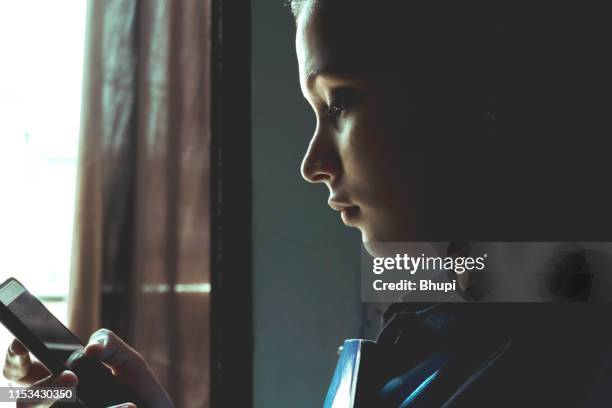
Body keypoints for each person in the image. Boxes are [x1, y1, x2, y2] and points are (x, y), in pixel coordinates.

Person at [5, 1, 612, 406]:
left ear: (467, 88)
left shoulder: (558, 353)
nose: (311, 163)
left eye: (341, 101)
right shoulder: (451, 296)